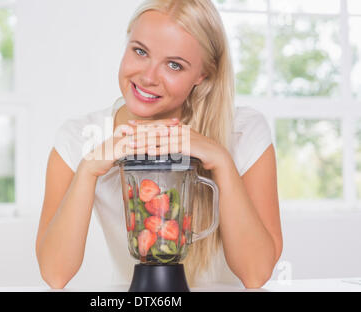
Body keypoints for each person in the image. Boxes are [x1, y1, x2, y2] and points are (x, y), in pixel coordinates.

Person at [36, 0, 282, 289]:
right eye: (140, 51)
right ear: (126, 42)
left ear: (203, 75)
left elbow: (256, 274)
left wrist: (221, 160)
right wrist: (88, 170)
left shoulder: (243, 132)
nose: (148, 77)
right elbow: (55, 274)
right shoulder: (79, 138)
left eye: (174, 65)